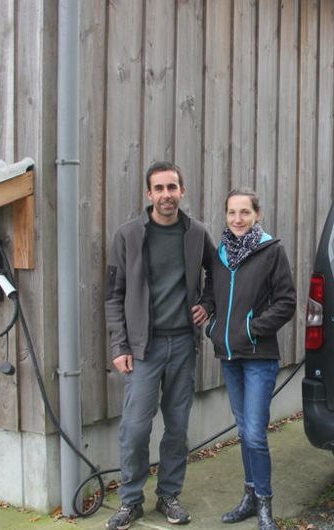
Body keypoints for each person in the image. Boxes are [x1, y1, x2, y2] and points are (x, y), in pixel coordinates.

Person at [104, 162, 214, 530]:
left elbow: (217, 274)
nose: (166, 195)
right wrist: (120, 345)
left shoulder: (196, 232)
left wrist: (209, 304)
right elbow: (113, 295)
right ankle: (131, 501)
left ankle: (169, 494)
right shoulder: (128, 235)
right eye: (159, 188)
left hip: (183, 344)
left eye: (172, 187)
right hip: (142, 349)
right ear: (149, 194)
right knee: (135, 428)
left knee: (177, 427)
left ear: (183, 191)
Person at [205, 188, 296, 530]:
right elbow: (210, 292)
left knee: (255, 433)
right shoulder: (221, 253)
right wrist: (213, 323)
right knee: (244, 431)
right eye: (232, 212)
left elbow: (286, 301)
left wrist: (252, 329)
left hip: (259, 356)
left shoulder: (271, 252)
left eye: (245, 212)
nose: (238, 219)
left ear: (257, 214)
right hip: (229, 357)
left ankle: (264, 505)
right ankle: (248, 496)